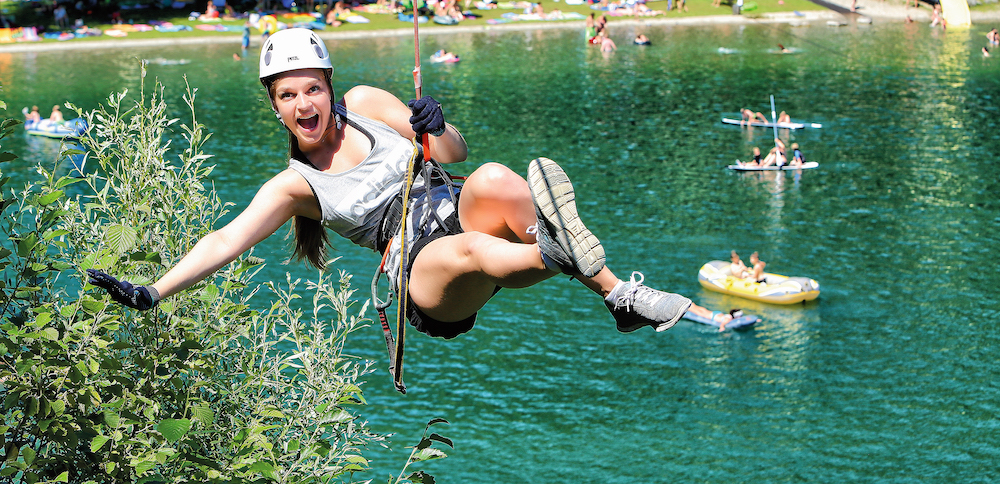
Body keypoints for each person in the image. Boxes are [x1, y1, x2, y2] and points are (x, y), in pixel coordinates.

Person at [85, 29, 692, 347]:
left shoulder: (369, 104)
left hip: (459, 206)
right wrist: (154, 290)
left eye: (312, 89)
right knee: (472, 251)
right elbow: (226, 239)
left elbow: (454, 154)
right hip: (423, 277)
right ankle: (558, 250)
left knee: (494, 178)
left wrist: (437, 124)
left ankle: (617, 297)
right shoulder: (296, 186)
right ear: (275, 108)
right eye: (288, 96)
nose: (305, 103)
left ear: (330, 85)